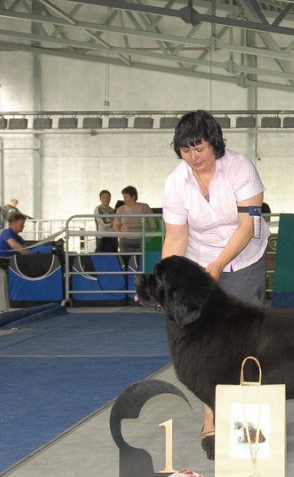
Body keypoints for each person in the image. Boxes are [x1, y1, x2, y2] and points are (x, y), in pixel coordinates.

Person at [161, 109, 270, 458]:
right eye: (186, 149)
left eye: (200, 147)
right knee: (206, 345)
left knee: (243, 344)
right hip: (199, 262)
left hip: (244, 258)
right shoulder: (176, 182)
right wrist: (169, 280)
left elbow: (247, 226)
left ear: (215, 143)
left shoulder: (240, 168)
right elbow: (176, 236)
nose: (194, 156)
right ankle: (211, 419)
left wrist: (220, 264)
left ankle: (248, 424)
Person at [112, 186, 154, 256]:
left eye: (126, 197)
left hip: (143, 239)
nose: (124, 200)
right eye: (123, 197)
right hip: (125, 240)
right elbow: (116, 224)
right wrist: (120, 235)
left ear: (133, 197)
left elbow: (152, 222)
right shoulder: (120, 209)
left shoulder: (145, 207)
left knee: (142, 262)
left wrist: (151, 236)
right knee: (126, 261)